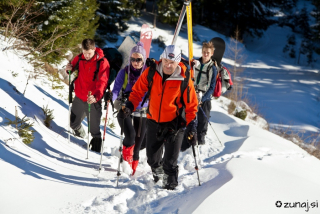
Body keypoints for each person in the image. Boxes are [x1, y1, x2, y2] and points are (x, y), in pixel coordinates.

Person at [121, 45, 198, 190]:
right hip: (154, 120)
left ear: (178, 62)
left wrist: (192, 127)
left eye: (172, 63)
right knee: (152, 159)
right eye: (166, 61)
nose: (168, 65)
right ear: (161, 58)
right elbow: (138, 91)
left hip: (175, 123)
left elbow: (191, 105)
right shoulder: (151, 71)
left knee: (170, 161)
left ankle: (170, 188)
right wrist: (130, 105)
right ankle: (158, 173)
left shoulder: (184, 77)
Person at [66, 39, 110, 153]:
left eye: (89, 53)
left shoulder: (102, 62)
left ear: (94, 49)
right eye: (84, 52)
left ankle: (95, 154)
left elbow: (103, 82)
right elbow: (71, 68)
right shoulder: (80, 58)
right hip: (79, 96)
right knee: (73, 124)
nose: (86, 56)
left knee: (94, 130)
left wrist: (96, 96)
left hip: (93, 99)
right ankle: (81, 141)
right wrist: (68, 69)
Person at [112, 42, 148, 175]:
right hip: (125, 107)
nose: (135, 62)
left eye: (138, 59)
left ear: (143, 59)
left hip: (142, 110)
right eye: (133, 59)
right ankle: (125, 164)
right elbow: (116, 90)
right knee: (131, 136)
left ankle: (132, 172)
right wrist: (111, 96)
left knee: (138, 145)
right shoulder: (124, 72)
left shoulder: (148, 74)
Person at [181, 41, 217, 151]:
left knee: (202, 121)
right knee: (189, 118)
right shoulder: (195, 63)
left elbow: (212, 87)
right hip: (192, 94)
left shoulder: (212, 68)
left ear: (211, 54)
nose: (205, 54)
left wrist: (203, 98)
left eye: (208, 52)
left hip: (204, 98)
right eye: (204, 52)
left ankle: (200, 143)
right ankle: (185, 143)